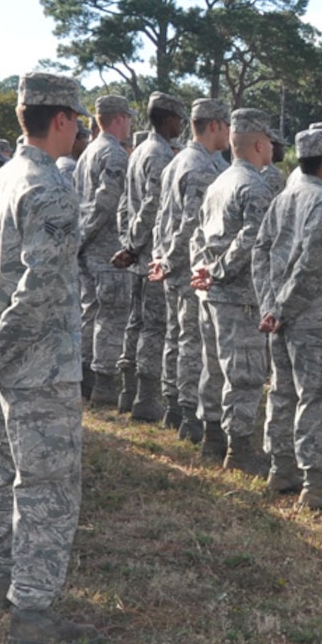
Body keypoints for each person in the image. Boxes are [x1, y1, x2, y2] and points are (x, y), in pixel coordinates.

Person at [0, 72, 100, 644]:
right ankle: (33, 610)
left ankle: (2, 578)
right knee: (47, 487)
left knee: (6, 473)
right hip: (35, 364)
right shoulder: (49, 189)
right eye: (77, 122)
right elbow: (39, 288)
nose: (79, 133)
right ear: (61, 119)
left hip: (3, 360)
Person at [254, 125, 322, 508]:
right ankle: (316, 483)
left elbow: (260, 252)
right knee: (318, 398)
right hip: (310, 316)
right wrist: (282, 308)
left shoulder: (284, 197)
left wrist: (269, 306)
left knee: (283, 392)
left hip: (279, 316)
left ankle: (281, 469)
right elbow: (311, 264)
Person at [192, 108, 278, 473]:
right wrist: (218, 271)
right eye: (270, 141)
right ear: (260, 144)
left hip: (211, 293)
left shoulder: (220, 181)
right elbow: (252, 238)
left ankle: (212, 437)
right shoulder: (254, 185)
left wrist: (202, 269)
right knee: (242, 374)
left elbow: (198, 232)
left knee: (213, 369)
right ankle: (238, 449)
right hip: (237, 294)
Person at [150, 98, 229, 444]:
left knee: (176, 337)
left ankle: (173, 405)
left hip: (171, 263)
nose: (229, 133)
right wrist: (171, 260)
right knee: (190, 342)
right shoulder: (200, 168)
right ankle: (187, 412)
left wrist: (160, 257)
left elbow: (161, 218)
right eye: (226, 126)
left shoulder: (178, 160)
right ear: (214, 126)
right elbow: (189, 225)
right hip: (186, 267)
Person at [112, 92, 182, 424]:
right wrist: (136, 245)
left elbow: (126, 204)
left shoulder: (140, 150)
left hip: (138, 253)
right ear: (168, 119)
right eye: (178, 118)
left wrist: (128, 242)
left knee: (136, 323)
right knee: (154, 328)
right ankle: (145, 397)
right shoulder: (160, 155)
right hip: (152, 255)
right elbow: (152, 207)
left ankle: (128, 392)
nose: (181, 125)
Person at [74, 95, 132, 408]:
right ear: (119, 118)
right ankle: (104, 383)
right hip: (105, 248)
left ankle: (85, 376)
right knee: (110, 317)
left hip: (87, 248)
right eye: (128, 118)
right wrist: (85, 237)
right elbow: (106, 202)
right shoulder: (113, 154)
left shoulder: (89, 151)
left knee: (90, 311)